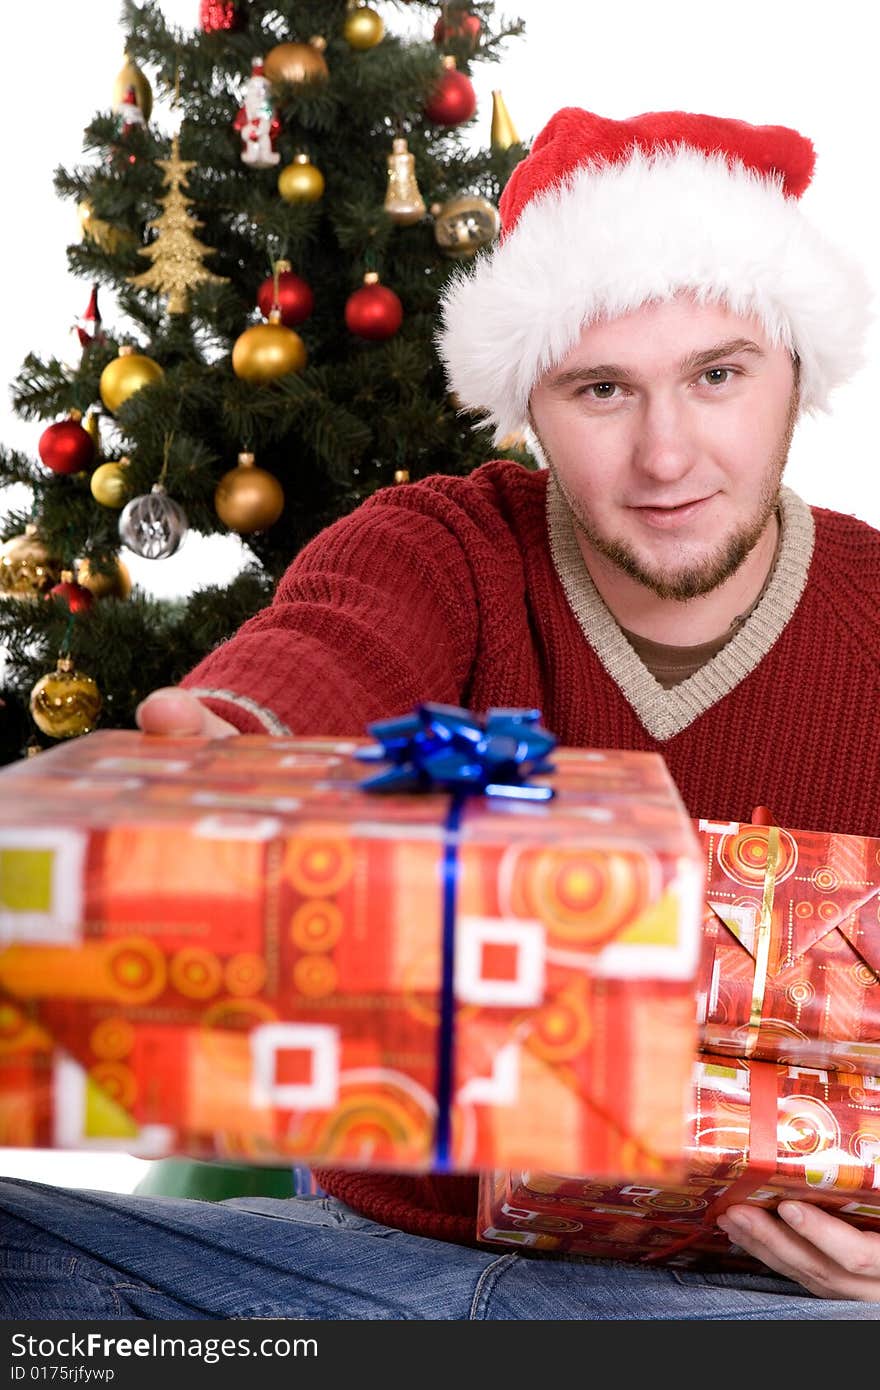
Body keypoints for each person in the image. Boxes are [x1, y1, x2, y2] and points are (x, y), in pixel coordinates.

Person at [2, 107, 879, 1320]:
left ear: (798, 368)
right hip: (351, 1269)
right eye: (601, 389)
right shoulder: (450, 547)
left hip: (744, 1304)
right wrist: (225, 743)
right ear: (530, 399)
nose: (665, 455)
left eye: (717, 375)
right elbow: (331, 646)